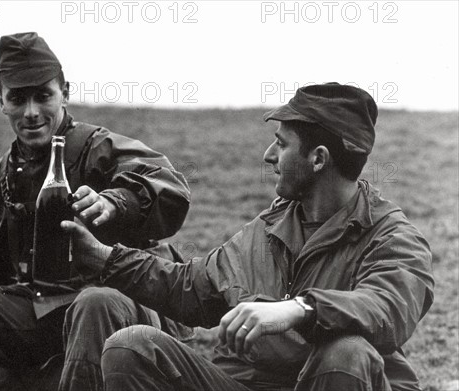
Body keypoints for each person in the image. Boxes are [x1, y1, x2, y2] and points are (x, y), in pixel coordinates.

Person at [62, 83, 435, 391]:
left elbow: (387, 308)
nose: (268, 155)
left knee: (346, 354)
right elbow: (192, 287)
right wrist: (104, 257)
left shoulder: (393, 237)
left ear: (319, 159)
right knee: (132, 347)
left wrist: (300, 309)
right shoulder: (271, 226)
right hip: (248, 384)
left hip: (333, 381)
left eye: (282, 143)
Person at [0, 32, 191, 391]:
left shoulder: (99, 148)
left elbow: (169, 187)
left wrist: (115, 201)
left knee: (95, 301)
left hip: (122, 310)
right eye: (17, 99)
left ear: (65, 93)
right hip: (42, 314)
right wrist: (4, 366)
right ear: (1, 101)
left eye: (43, 96)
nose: (31, 113)